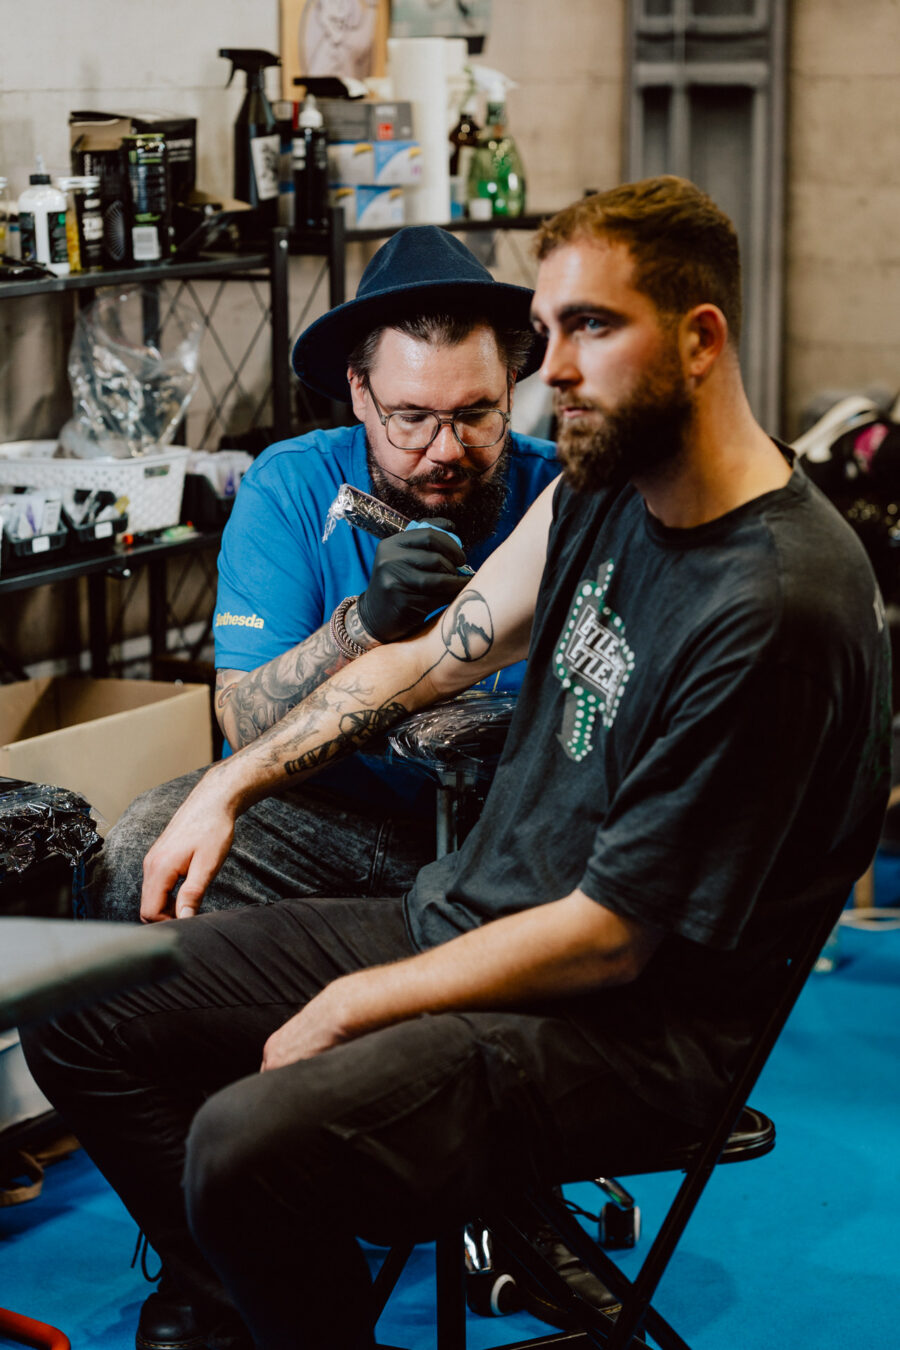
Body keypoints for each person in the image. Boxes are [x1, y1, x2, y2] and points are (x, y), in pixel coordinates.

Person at [23, 176, 891, 1350]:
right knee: (79, 1001)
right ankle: (267, 1298)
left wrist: (352, 1003)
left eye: (590, 328)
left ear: (700, 340)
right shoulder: (602, 489)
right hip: (477, 909)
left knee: (246, 1139)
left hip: (626, 1024)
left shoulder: (774, 602)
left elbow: (612, 939)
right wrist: (230, 782)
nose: (556, 371)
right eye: (552, 330)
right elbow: (435, 656)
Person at [88, 225, 560, 925]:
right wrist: (361, 625)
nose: (445, 450)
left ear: (511, 389)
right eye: (411, 418)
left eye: (475, 415)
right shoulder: (291, 486)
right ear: (359, 392)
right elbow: (242, 718)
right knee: (139, 857)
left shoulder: (565, 496)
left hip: (503, 819)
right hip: (322, 811)